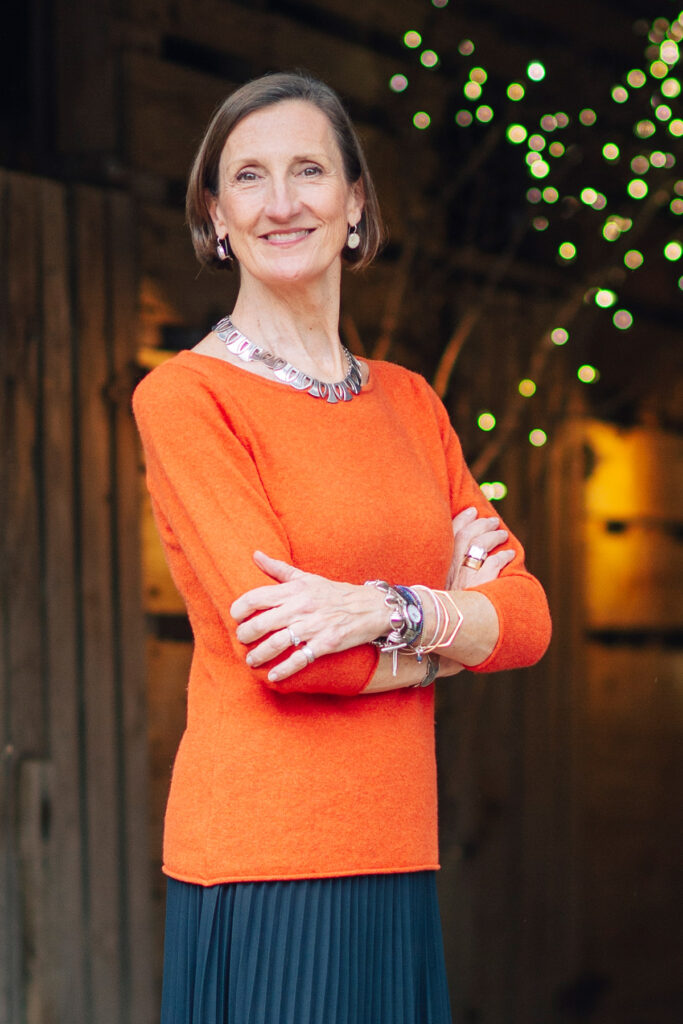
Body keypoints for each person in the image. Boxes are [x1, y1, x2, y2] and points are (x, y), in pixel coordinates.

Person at [133, 71, 552, 1024]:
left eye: (309, 170)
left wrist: (377, 610)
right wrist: (447, 632)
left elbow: (526, 620)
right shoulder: (189, 398)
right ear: (216, 214)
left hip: (398, 844)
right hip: (268, 850)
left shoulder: (411, 402)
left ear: (355, 202)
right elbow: (291, 661)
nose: (282, 202)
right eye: (249, 177)